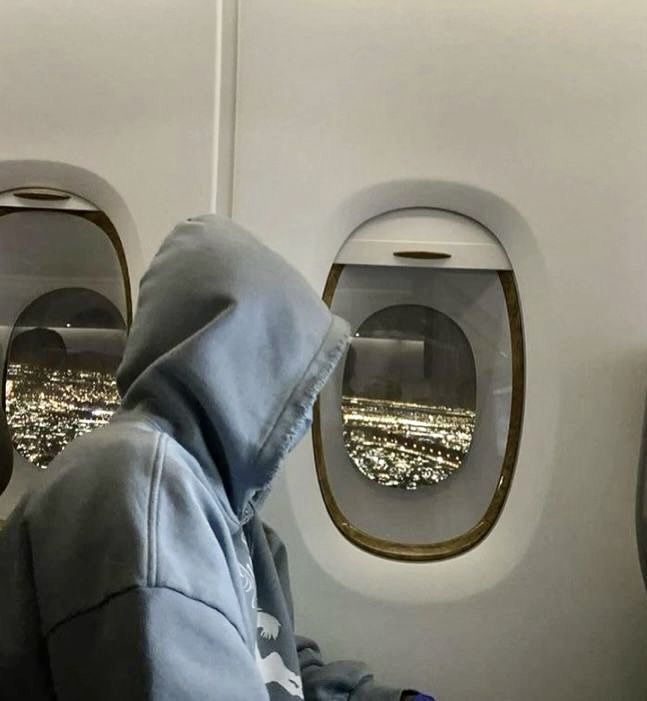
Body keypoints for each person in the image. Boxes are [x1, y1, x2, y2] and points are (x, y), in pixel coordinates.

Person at [0, 215, 434, 700]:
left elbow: (278, 661)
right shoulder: (139, 490)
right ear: (240, 367)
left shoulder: (234, 516)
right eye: (295, 386)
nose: (306, 416)